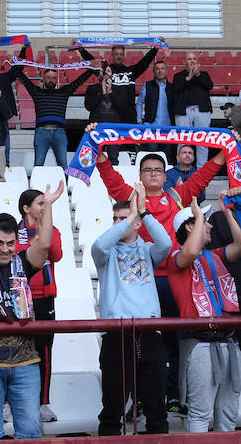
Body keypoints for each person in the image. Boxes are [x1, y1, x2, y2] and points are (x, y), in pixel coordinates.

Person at [93, 132, 227, 409]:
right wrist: (94, 141)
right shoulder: (129, 196)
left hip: (174, 277)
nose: (153, 174)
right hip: (141, 283)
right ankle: (141, 399)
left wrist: (225, 151)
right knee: (142, 344)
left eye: (158, 170)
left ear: (166, 176)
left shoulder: (176, 195)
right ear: (140, 176)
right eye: (148, 170)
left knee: (174, 339)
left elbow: (203, 177)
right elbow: (108, 174)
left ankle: (174, 396)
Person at [0, 183, 63, 442]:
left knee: (30, 434)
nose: (5, 249)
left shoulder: (23, 263)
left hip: (25, 362)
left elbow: (44, 244)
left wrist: (47, 207)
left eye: (10, 243)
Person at [92, 186, 172, 435]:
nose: (118, 223)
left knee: (155, 403)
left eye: (125, 218)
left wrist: (144, 213)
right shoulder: (105, 253)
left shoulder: (148, 250)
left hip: (149, 333)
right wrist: (130, 218)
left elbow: (166, 243)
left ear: (138, 223)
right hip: (116, 334)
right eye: (115, 219)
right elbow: (99, 244)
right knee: (112, 405)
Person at [169, 199, 241, 433]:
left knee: (228, 414)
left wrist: (227, 212)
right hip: (199, 343)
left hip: (228, 340)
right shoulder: (176, 257)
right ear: (189, 226)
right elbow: (191, 251)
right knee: (201, 413)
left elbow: (240, 244)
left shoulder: (216, 255)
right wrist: (198, 216)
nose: (210, 225)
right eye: (204, 221)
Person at [14, 189, 66, 423]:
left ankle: (42, 403)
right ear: (26, 208)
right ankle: (10, 403)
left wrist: (47, 222)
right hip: (18, 297)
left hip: (44, 298)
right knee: (15, 349)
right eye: (41, 203)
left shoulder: (52, 229)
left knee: (43, 351)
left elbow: (55, 254)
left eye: (47, 204)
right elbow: (14, 256)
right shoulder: (12, 231)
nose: (45, 207)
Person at [16, 66, 93, 167]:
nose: (51, 80)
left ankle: (65, 179)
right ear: (43, 79)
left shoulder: (64, 92)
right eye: (48, 77)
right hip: (41, 132)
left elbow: (79, 81)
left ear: (56, 80)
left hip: (59, 132)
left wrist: (92, 69)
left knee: (63, 164)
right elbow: (24, 79)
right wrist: (17, 62)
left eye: (53, 78)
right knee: (38, 164)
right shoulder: (36, 92)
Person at [171, 52, 216, 164]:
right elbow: (175, 89)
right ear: (184, 62)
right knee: (183, 141)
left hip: (202, 111)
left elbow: (209, 86)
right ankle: (182, 168)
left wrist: (198, 75)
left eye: (194, 59)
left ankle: (201, 170)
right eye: (189, 59)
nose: (192, 61)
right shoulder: (178, 76)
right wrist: (189, 77)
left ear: (197, 61)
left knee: (202, 142)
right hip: (183, 112)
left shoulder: (204, 74)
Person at [84, 67, 134, 162]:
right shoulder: (92, 88)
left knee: (113, 157)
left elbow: (124, 108)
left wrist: (111, 92)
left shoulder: (119, 89)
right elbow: (88, 106)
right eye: (102, 71)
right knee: (93, 156)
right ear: (98, 74)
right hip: (97, 127)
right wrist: (102, 93)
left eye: (108, 71)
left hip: (114, 127)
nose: (105, 73)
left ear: (112, 74)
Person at [139, 60, 173, 156]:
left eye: (162, 68)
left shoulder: (172, 87)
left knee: (167, 155)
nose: (160, 71)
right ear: (153, 71)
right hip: (151, 126)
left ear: (166, 71)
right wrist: (139, 121)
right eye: (157, 69)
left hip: (168, 127)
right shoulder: (147, 85)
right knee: (152, 154)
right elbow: (139, 103)